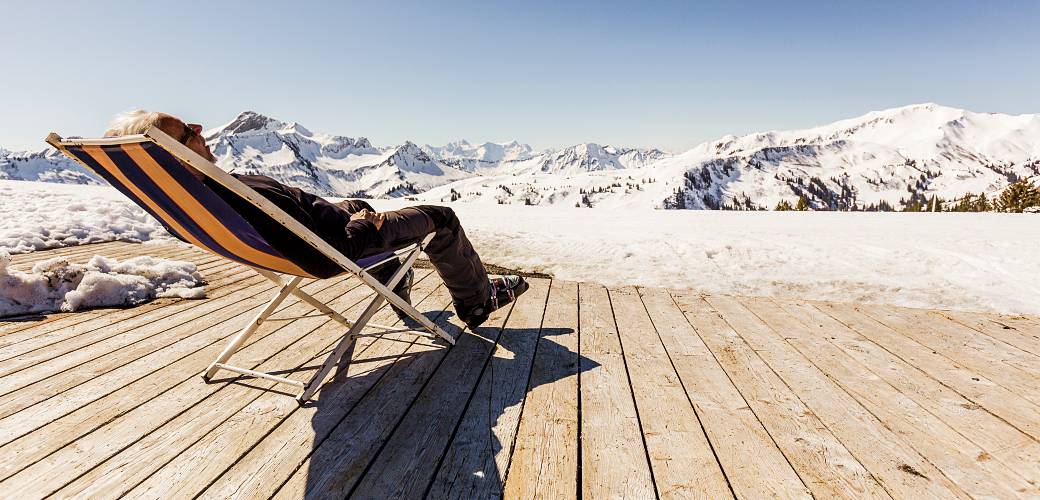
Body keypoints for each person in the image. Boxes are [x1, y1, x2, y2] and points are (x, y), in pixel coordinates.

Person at [104, 110, 527, 329]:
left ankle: (402, 300)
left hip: (322, 234)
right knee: (442, 217)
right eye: (188, 131)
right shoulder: (241, 194)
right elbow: (334, 253)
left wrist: (353, 211)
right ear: (174, 154)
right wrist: (366, 221)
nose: (201, 129)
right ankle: (476, 301)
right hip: (336, 246)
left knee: (358, 200)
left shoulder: (205, 194)